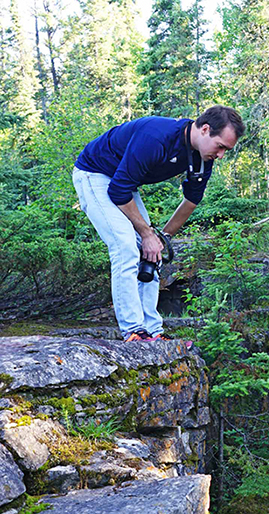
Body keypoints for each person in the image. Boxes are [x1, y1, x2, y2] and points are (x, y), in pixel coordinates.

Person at [73, 105, 245, 342]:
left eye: (227, 150)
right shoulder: (156, 137)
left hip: (123, 183)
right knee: (125, 245)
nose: (222, 155)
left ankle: (152, 331)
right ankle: (134, 330)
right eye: (221, 147)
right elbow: (118, 191)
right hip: (95, 174)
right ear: (205, 129)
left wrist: (161, 238)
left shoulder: (203, 158)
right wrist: (147, 234)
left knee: (152, 253)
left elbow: (190, 202)